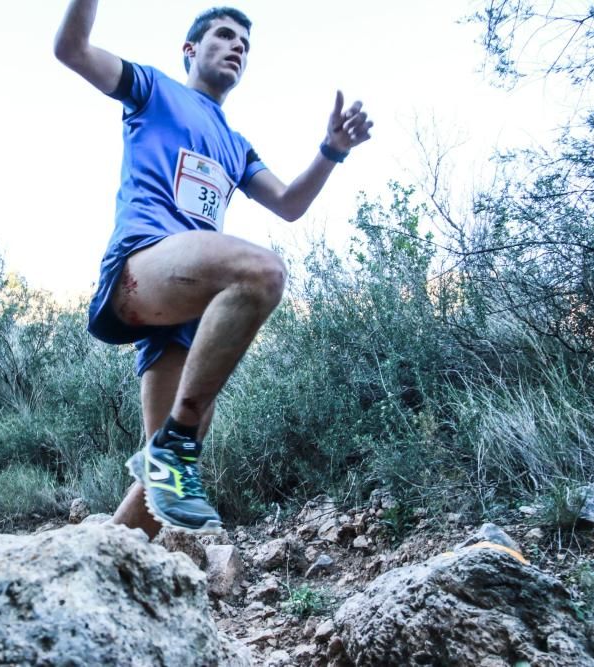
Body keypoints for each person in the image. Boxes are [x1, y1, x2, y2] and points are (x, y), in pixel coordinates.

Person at [54, 2, 372, 536]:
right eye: (224, 37)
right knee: (262, 272)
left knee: (164, 486)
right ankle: (176, 446)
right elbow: (73, 50)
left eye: (244, 46)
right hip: (146, 263)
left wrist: (331, 150)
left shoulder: (236, 145)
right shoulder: (154, 89)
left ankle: (96, 559)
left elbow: (290, 204)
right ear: (191, 50)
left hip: (190, 306)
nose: (236, 49)